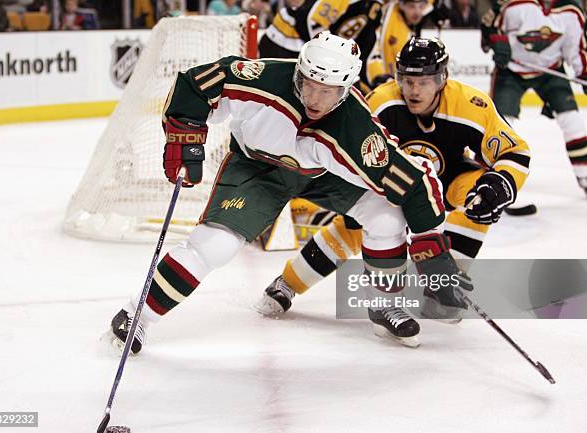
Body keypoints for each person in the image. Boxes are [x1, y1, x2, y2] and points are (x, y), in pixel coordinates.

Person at [105, 32, 461, 352]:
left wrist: (431, 243)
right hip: (258, 169)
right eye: (308, 84)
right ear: (298, 73)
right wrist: (185, 136)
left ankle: (384, 303)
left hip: (321, 175)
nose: (315, 98)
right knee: (215, 245)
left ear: (347, 88)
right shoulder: (263, 79)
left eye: (328, 90)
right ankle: (137, 315)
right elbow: (197, 84)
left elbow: (413, 178)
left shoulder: (355, 127)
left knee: (386, 217)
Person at [255, 37, 531, 330]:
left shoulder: (471, 106)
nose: (413, 90)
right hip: (385, 185)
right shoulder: (381, 102)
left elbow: (514, 152)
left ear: (442, 78)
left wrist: (500, 184)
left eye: (423, 82)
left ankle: (443, 287)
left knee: (481, 199)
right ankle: (288, 283)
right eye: (407, 80)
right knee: (357, 225)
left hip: (447, 182)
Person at [481, 0, 587, 195]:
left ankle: (585, 174)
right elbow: (490, 28)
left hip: (550, 70)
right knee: (502, 125)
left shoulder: (572, 11)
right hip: (512, 70)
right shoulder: (513, 5)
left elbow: (576, 50)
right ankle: (493, 180)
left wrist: (584, 72)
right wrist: (496, 41)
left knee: (573, 121)